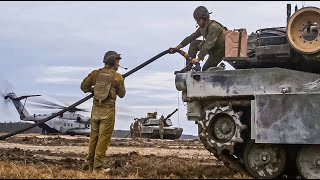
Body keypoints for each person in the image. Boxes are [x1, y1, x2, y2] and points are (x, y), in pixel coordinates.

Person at [80, 50, 126, 173]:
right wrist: (121, 82)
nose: (118, 64)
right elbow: (122, 94)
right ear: (112, 62)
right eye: (117, 61)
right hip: (108, 111)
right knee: (103, 139)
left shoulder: (95, 74)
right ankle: (97, 168)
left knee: (93, 138)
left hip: (95, 111)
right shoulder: (117, 76)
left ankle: (89, 165)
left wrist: (94, 90)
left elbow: (84, 87)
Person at [170, 6, 228, 71]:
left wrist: (198, 58)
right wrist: (176, 48)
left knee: (205, 70)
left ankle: (220, 69)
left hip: (219, 51)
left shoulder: (214, 27)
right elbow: (191, 37)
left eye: (198, 20)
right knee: (194, 43)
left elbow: (208, 45)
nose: (197, 22)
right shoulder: (203, 28)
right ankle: (189, 68)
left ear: (204, 17)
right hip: (213, 48)